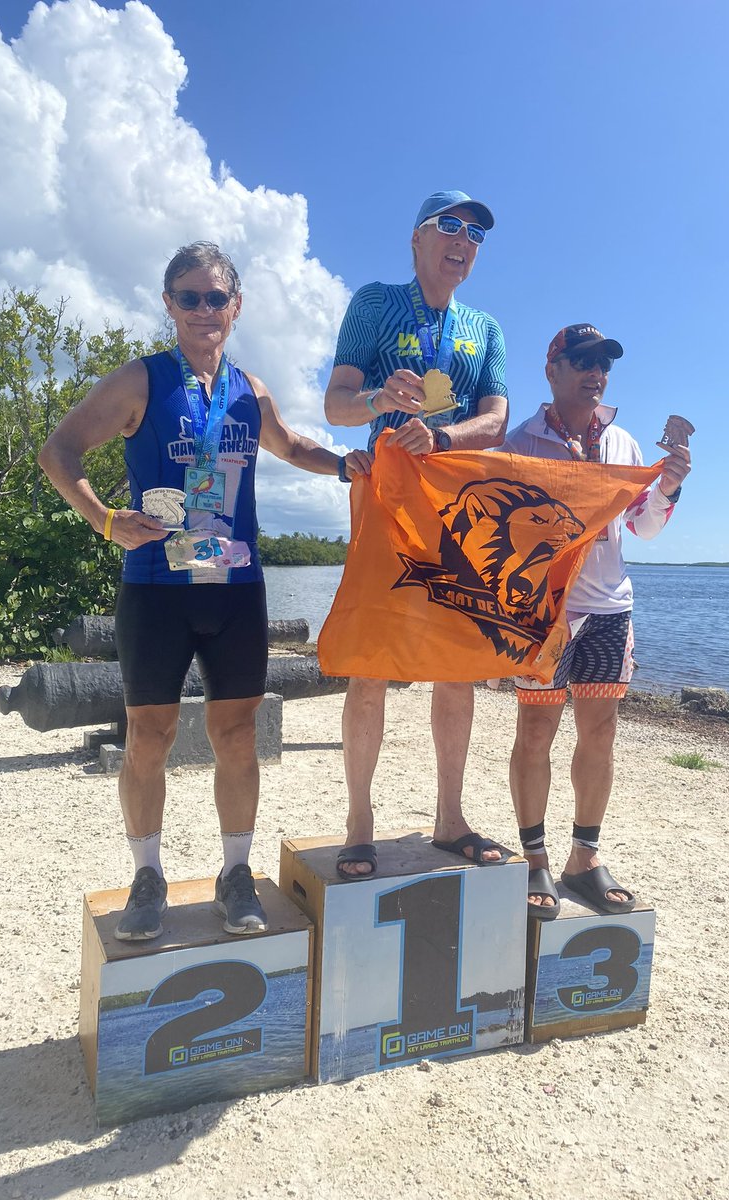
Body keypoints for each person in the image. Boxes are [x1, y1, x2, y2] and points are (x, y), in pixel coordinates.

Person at [39, 241, 369, 939]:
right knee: (149, 738)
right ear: (168, 305)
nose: (202, 310)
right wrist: (104, 520)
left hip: (235, 587)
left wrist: (350, 466)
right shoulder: (141, 381)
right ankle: (148, 876)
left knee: (237, 736)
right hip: (157, 588)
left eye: (215, 297)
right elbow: (58, 452)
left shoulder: (250, 389)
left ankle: (235, 872)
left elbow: (290, 445)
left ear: (236, 306)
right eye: (188, 297)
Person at [323, 190, 509, 877]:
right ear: (417, 238)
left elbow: (495, 417)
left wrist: (444, 434)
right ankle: (359, 820)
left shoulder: (485, 329)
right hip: (384, 501)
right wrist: (378, 400)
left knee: (457, 668)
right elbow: (336, 405)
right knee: (370, 664)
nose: (464, 241)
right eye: (450, 226)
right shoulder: (375, 303)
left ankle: (450, 817)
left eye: (476, 235)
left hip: (458, 509)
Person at [500, 324, 692, 919]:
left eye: (603, 363)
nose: (595, 372)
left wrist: (671, 486)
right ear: (552, 369)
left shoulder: (625, 445)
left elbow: (644, 527)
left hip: (610, 606)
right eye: (581, 361)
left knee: (600, 731)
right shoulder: (522, 442)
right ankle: (535, 860)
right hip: (544, 613)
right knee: (535, 735)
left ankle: (583, 857)